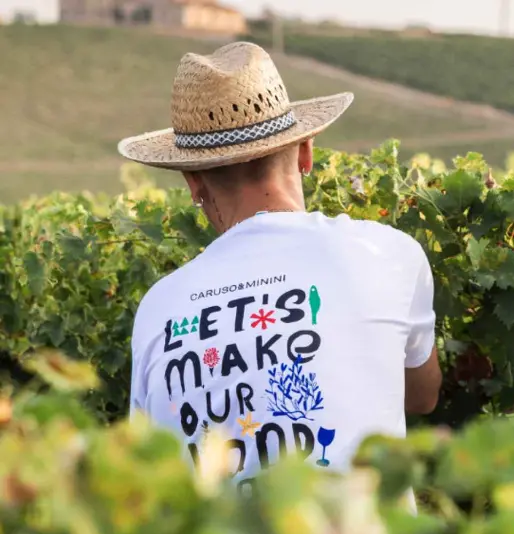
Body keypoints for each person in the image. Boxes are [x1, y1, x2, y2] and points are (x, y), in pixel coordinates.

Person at [119, 41, 442, 498]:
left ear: (193, 182)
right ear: (306, 152)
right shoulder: (388, 253)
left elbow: (148, 474)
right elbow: (422, 396)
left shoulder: (158, 309)